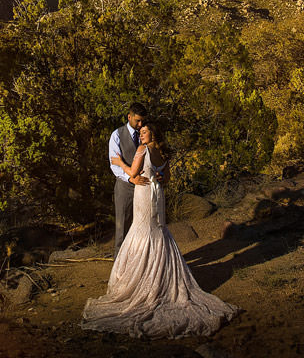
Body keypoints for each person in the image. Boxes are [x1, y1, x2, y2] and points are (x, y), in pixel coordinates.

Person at [81, 121, 240, 339]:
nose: (141, 135)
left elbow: (134, 173)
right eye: (140, 132)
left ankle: (142, 281)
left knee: (142, 230)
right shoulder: (162, 152)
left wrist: (119, 162)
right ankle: (162, 278)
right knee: (158, 232)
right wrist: (160, 177)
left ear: (153, 134)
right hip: (158, 197)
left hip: (144, 196)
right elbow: (168, 178)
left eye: (145, 132)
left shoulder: (142, 149)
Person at [108, 102, 155, 258]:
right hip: (124, 188)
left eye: (142, 121)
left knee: (143, 227)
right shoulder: (116, 135)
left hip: (145, 188)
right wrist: (130, 179)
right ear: (129, 117)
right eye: (137, 121)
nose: (140, 124)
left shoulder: (146, 134)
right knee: (122, 228)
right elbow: (114, 164)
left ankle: (139, 264)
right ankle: (119, 267)